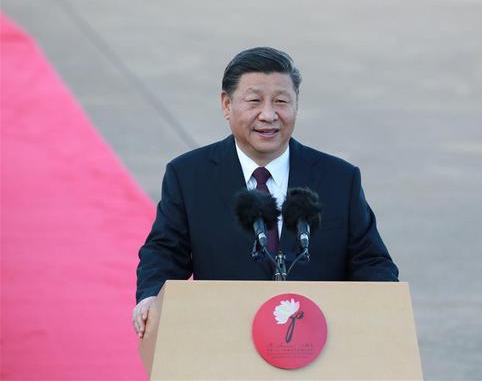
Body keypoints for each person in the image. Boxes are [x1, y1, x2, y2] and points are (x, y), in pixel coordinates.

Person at [132, 47, 398, 337]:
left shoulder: (338, 178)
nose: (269, 115)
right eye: (254, 101)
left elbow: (370, 260)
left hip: (317, 342)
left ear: (297, 105)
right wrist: (151, 297)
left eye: (282, 101)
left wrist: (383, 306)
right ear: (226, 104)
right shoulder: (189, 174)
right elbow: (166, 251)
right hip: (225, 338)